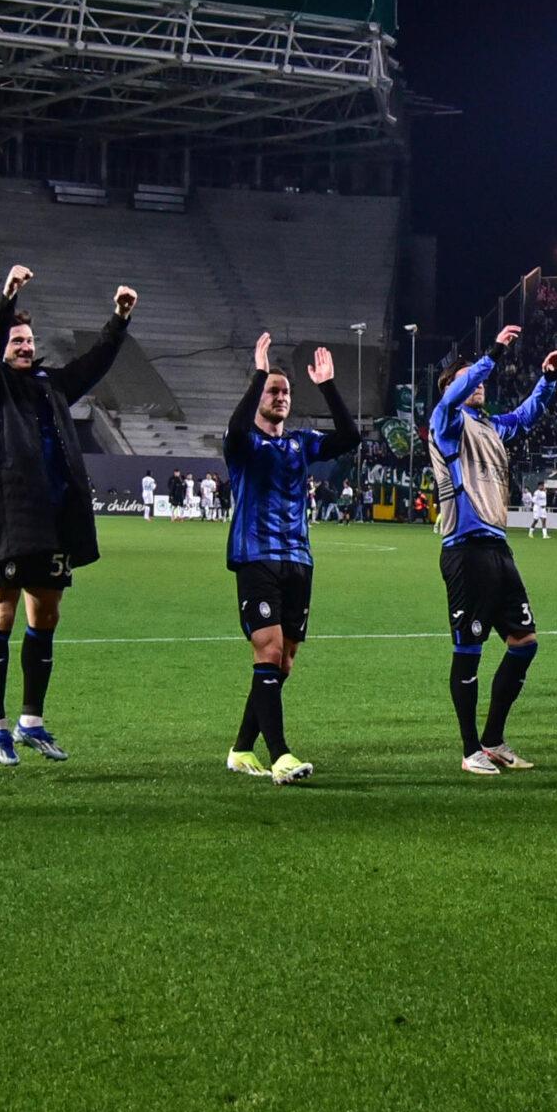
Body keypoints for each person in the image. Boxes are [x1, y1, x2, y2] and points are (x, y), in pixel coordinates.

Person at [0, 263, 136, 766]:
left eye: (27, 340)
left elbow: (94, 364)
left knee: (46, 617)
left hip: (57, 520)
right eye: (15, 340)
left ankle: (31, 721)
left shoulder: (51, 383)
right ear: (3, 347)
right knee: (0, 612)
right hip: (12, 519)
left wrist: (119, 320)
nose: (23, 346)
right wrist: (6, 299)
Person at [224, 334, 361, 784]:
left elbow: (350, 436)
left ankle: (242, 749)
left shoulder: (301, 444)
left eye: (285, 392)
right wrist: (259, 373)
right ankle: (280, 755)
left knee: (283, 662)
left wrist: (328, 386)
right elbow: (235, 428)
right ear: (260, 397)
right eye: (272, 391)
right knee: (268, 649)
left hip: (298, 560)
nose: (280, 397)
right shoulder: (244, 446)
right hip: (256, 557)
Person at [428, 324, 557, 775]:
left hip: (498, 548)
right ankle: (469, 750)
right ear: (452, 387)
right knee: (468, 650)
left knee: (524, 643)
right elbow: (461, 388)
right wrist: (493, 353)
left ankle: (493, 739)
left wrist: (547, 379)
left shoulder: (489, 426)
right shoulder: (447, 420)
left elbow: (525, 416)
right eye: (471, 378)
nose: (480, 382)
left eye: (481, 377)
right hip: (465, 549)